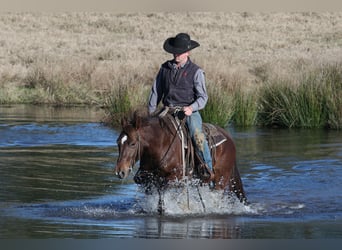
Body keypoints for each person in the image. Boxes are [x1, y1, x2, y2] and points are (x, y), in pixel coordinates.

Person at [148, 32, 214, 181]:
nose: (176, 54)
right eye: (175, 52)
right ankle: (146, 170)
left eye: (180, 52)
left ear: (188, 52)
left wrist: (191, 108)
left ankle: (207, 169)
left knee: (198, 136)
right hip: (166, 110)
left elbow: (203, 97)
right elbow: (155, 92)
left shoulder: (196, 72)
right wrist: (151, 113)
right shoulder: (164, 68)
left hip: (188, 112)